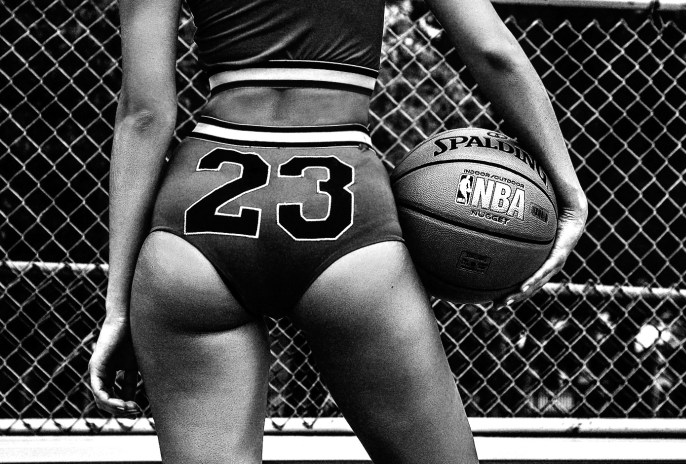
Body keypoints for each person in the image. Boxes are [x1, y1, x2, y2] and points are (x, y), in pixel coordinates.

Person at [88, 0, 588, 462]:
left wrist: (118, 305)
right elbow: (493, 52)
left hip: (199, 213)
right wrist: (569, 193)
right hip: (342, 203)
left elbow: (144, 115)